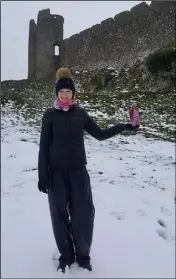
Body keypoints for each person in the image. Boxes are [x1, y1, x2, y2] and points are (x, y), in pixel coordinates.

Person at [37, 68, 139, 273]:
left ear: (73, 94)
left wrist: (126, 126)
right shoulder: (49, 116)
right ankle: (66, 256)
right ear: (57, 94)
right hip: (56, 172)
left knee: (83, 214)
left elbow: (100, 134)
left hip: (78, 172)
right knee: (59, 216)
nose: (65, 95)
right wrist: (43, 176)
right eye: (61, 92)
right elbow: (44, 147)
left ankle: (83, 256)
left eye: (68, 92)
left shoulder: (81, 114)